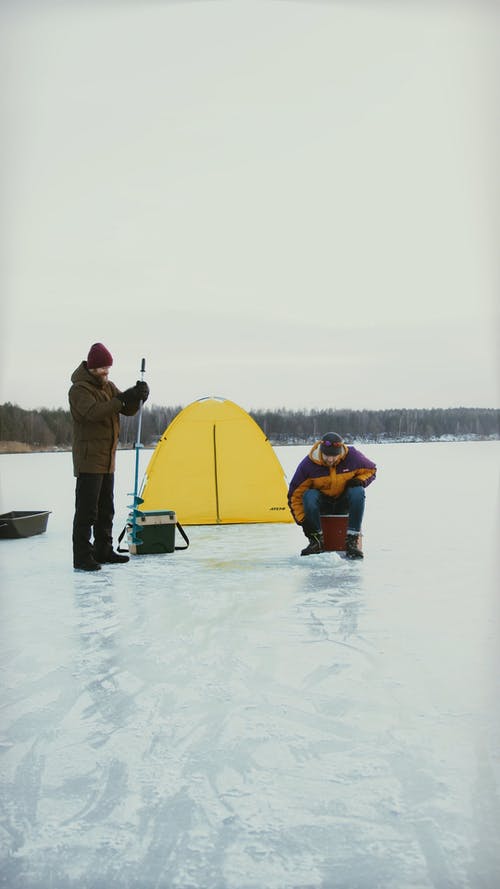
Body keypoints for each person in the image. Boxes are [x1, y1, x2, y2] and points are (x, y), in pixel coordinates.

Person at [69, 342, 150, 571]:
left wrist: (137, 396)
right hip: (89, 460)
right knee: (87, 511)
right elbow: (93, 413)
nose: (106, 372)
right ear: (92, 368)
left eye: (108, 368)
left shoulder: (108, 386)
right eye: (103, 368)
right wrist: (122, 398)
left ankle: (103, 549)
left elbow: (127, 409)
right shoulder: (79, 390)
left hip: (107, 459)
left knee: (106, 508)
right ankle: (82, 556)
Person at [288, 432, 376, 559]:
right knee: (309, 495)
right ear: (321, 451)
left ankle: (352, 540)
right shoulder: (308, 465)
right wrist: (303, 520)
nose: (330, 459)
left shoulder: (353, 457)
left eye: (334, 456)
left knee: (358, 491)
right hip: (322, 503)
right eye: (327, 455)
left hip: (344, 501)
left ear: (340, 452)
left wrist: (360, 480)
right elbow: (294, 496)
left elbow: (371, 470)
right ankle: (316, 540)